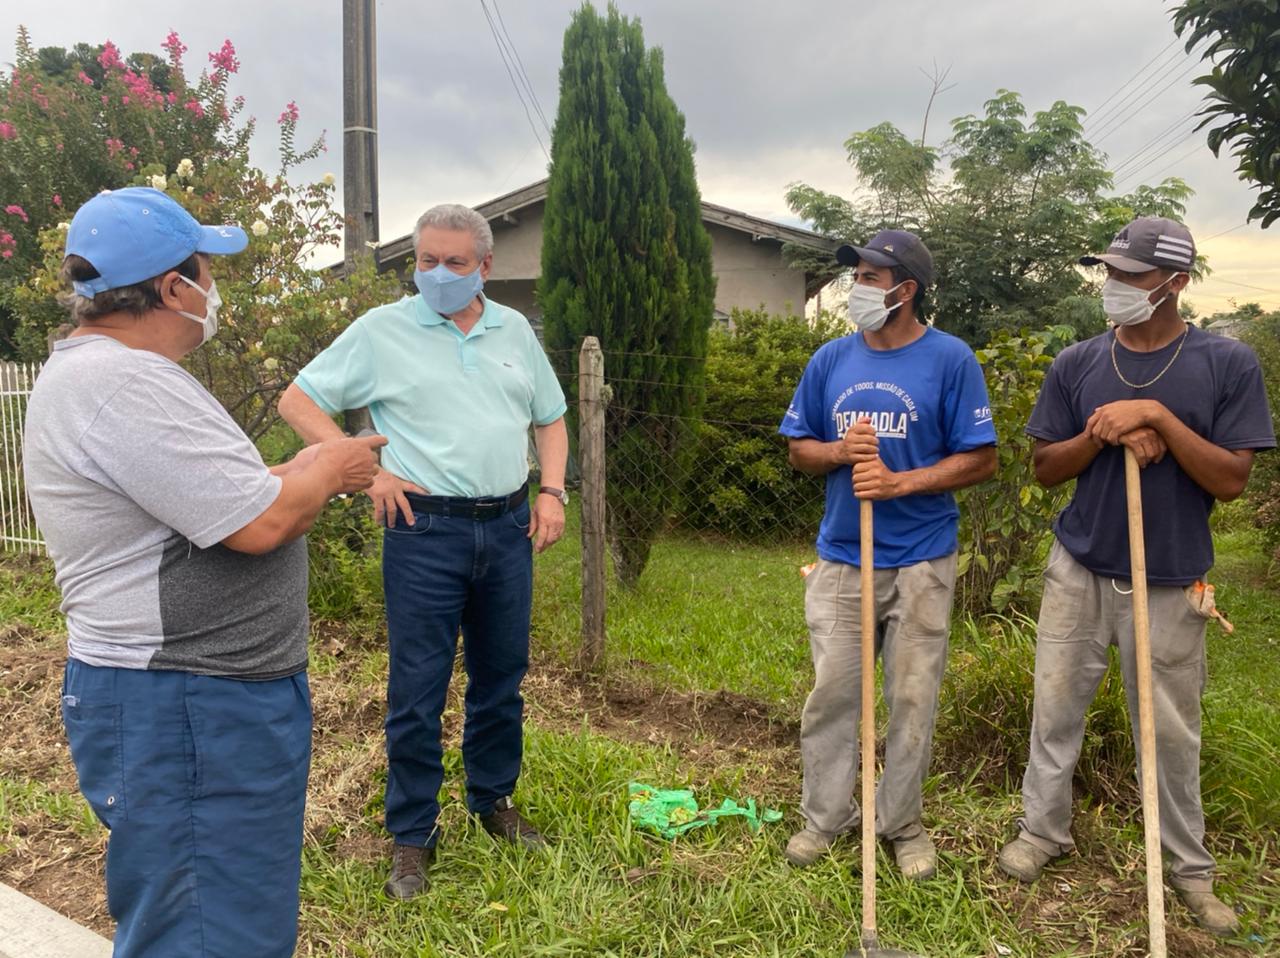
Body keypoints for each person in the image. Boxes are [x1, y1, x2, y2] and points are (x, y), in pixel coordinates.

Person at [22, 187, 385, 958]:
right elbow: (261, 522)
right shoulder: (124, 383)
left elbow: (234, 501)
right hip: (188, 704)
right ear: (170, 287)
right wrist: (332, 465)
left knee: (214, 912)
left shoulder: (106, 376)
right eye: (204, 272)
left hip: (192, 699)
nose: (211, 290)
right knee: (207, 930)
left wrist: (302, 472)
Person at [278, 203, 569, 900]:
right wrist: (363, 467)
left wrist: (553, 491)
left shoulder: (515, 333)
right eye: (426, 261)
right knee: (418, 690)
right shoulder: (383, 330)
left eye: (454, 263)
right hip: (423, 531)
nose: (437, 275)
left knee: (502, 677)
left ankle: (493, 801)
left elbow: (551, 417)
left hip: (506, 528)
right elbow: (299, 400)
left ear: (486, 268)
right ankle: (412, 835)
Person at [996, 217, 1275, 937]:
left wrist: (1156, 416)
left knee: (1172, 733)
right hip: (1080, 567)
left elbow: (1233, 478)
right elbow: (1045, 466)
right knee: (1055, 711)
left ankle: (1189, 871)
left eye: (1131, 277)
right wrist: (1101, 431)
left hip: (1171, 577)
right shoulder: (1079, 361)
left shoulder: (1225, 363)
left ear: (1176, 283)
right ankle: (1042, 833)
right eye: (1109, 273)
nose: (1113, 287)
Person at [779, 229, 998, 880]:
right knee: (833, 697)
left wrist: (903, 481)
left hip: (922, 559)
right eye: (858, 275)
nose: (858, 288)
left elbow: (981, 458)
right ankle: (825, 818)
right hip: (844, 557)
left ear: (906, 291)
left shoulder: (950, 360)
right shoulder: (830, 361)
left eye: (871, 277)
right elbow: (799, 449)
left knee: (912, 699)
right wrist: (841, 452)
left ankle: (900, 824)